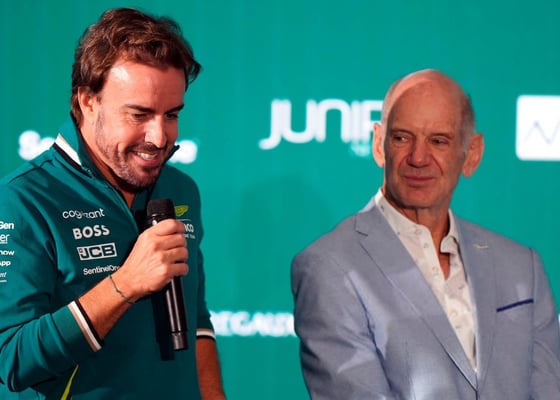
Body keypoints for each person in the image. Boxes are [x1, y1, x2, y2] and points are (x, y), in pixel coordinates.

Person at [291, 69, 560, 399]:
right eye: (402, 138)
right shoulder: (329, 267)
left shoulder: (521, 267)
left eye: (438, 141)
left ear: (472, 154)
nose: (418, 158)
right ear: (379, 144)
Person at [0, 7, 226, 399]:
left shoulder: (180, 189)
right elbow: (11, 359)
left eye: (171, 115)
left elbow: (196, 318)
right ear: (88, 101)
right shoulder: (23, 201)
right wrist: (125, 284)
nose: (159, 137)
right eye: (139, 114)